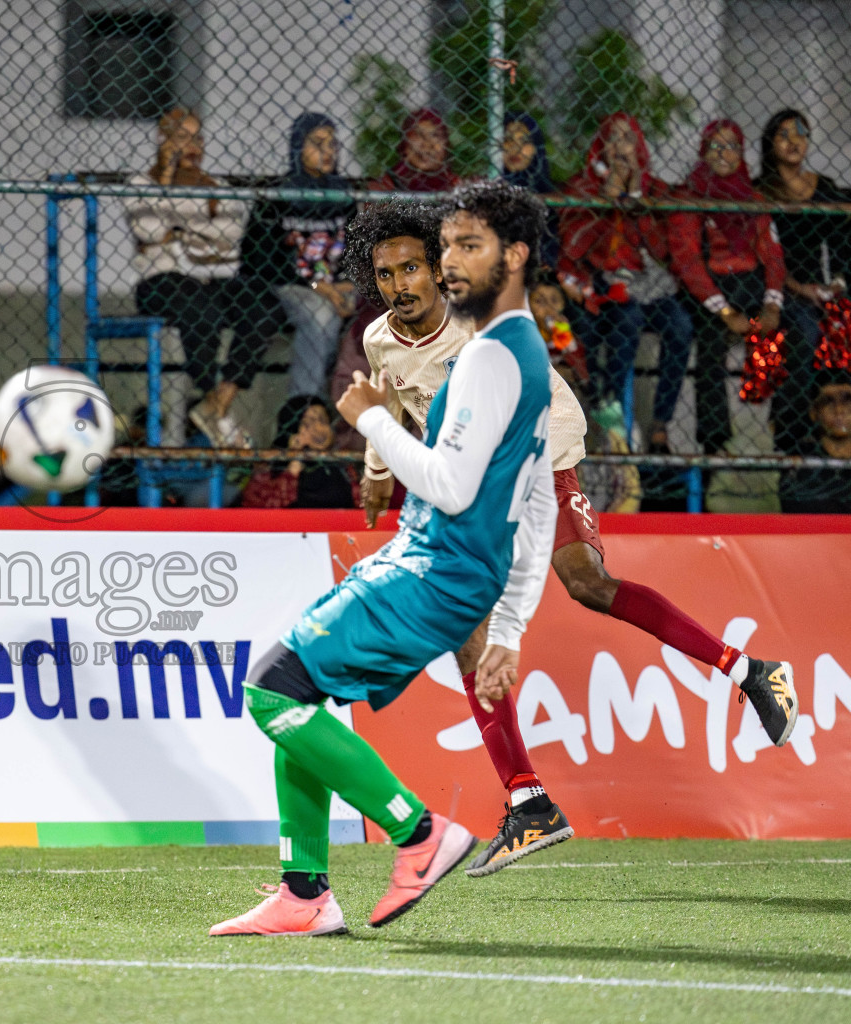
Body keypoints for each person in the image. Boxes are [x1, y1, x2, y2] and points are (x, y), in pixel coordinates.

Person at [341, 198, 798, 876]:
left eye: (412, 268)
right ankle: (533, 801)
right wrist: (378, 472)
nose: (400, 285)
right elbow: (387, 400)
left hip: (539, 447)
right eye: (385, 274)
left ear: (440, 271)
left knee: (580, 584)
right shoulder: (381, 337)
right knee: (491, 621)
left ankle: (742, 673)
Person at [210, 180, 557, 938]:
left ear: (511, 257)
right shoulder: (517, 348)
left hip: (437, 563)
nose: (443, 267)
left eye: (464, 249)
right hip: (437, 556)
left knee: (271, 692)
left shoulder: (488, 357)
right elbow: (536, 495)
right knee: (301, 691)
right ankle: (304, 894)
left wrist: (367, 420)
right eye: (451, 247)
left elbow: (457, 483)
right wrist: (510, 624)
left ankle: (419, 833)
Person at [125, 107, 272, 447]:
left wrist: (178, 231)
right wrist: (165, 180)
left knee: (262, 306)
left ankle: (217, 402)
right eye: (181, 137)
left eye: (198, 137)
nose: (193, 145)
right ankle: (213, 404)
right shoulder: (141, 183)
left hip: (214, 278)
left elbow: (231, 233)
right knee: (201, 311)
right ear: (163, 142)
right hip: (161, 280)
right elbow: (150, 229)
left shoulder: (216, 186)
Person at [559, 113, 694, 452]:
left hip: (646, 283)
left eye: (628, 139)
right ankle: (616, 420)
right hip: (602, 282)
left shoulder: (655, 190)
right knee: (627, 320)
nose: (621, 147)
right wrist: (604, 202)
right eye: (613, 138)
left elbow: (662, 249)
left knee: (680, 326)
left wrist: (635, 198)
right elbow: (574, 246)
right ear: (601, 148)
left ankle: (661, 425)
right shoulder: (584, 186)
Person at [668, 120, 792, 456]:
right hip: (709, 288)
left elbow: (773, 255)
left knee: (798, 327)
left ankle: (789, 433)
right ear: (703, 153)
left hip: (749, 283)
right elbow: (688, 262)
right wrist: (725, 312)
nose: (724, 153)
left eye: (732, 146)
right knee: (710, 339)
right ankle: (715, 441)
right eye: (715, 146)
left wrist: (772, 305)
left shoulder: (753, 198)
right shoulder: (689, 195)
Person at [755, 109, 851, 452]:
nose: (793, 140)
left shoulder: (824, 188)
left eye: (800, 132)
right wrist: (798, 289)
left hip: (821, 288)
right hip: (776, 291)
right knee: (806, 331)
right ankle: (791, 433)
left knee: (840, 326)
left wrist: (836, 284)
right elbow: (763, 255)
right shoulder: (759, 192)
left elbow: (842, 244)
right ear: (770, 144)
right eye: (783, 134)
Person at [243, 113, 358, 398]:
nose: (328, 151)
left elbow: (356, 251)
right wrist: (320, 287)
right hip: (290, 286)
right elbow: (261, 261)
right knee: (322, 314)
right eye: (317, 143)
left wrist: (342, 284)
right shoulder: (277, 196)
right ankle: (304, 406)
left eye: (332, 144)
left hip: (338, 285)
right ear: (297, 147)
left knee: (377, 304)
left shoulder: (342, 195)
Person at [238, 395, 355, 509]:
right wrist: (295, 460)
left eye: (323, 421)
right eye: (307, 423)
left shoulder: (342, 464)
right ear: (293, 429)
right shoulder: (269, 467)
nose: (319, 429)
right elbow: (264, 509)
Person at [779, 371, 851, 513]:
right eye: (828, 401)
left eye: (847, 400)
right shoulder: (801, 467)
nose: (839, 410)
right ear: (814, 412)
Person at [500, 111, 560, 271]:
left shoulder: (551, 195)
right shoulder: (484, 191)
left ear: (536, 148)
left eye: (524, 140)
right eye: (507, 139)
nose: (515, 148)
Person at [372, 109, 458, 194]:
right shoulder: (385, 185)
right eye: (418, 135)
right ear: (404, 142)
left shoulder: (455, 185)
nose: (427, 145)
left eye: (435, 136)